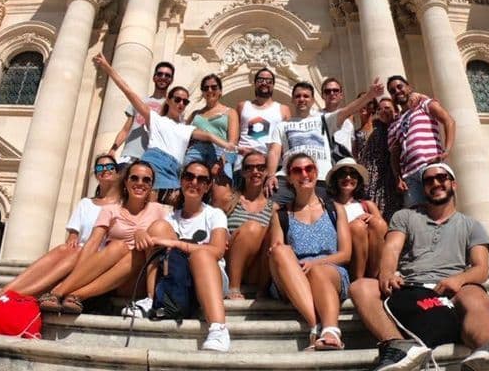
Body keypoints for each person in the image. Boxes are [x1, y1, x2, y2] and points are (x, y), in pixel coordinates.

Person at [349, 163, 489, 371]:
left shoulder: (472, 225)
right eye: (429, 180)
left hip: (453, 288)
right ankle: (400, 347)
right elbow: (392, 248)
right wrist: (388, 273)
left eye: (441, 178)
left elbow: (481, 269)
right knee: (360, 287)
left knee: (474, 293)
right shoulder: (405, 216)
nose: (435, 183)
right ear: (423, 187)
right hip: (410, 286)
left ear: (454, 184)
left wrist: (459, 279)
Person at [0, 154, 121, 304]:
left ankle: (12, 295)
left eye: (110, 167)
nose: (105, 170)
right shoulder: (85, 203)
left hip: (97, 258)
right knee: (64, 248)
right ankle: (4, 291)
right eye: (100, 167)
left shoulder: (121, 205)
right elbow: (73, 234)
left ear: (117, 173)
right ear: (96, 174)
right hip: (77, 252)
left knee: (75, 252)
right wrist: (72, 238)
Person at [94, 53, 235, 202]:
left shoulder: (186, 128)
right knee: (149, 207)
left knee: (169, 211)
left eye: (185, 102)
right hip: (155, 163)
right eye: (177, 99)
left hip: (174, 171)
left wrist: (229, 145)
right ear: (168, 100)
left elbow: (208, 136)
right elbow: (128, 92)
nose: (181, 103)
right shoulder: (155, 119)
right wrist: (107, 68)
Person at [41, 160, 174, 315]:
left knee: (136, 252)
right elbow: (92, 244)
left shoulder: (160, 210)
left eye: (146, 180)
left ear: (151, 185)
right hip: (113, 275)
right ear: (125, 182)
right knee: (118, 246)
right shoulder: (110, 210)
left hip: (140, 279)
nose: (140, 183)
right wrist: (78, 275)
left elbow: (170, 244)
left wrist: (146, 235)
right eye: (134, 178)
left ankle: (72, 294)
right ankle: (65, 291)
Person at [130, 160, 232, 352]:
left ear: (208, 186)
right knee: (157, 228)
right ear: (181, 180)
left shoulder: (215, 214)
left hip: (210, 277)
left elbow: (217, 251)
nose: (194, 182)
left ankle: (219, 329)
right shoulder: (169, 218)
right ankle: (152, 299)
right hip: (179, 281)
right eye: (189, 176)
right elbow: (152, 238)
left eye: (202, 179)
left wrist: (176, 243)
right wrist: (140, 233)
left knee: (201, 254)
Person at [267, 153, 352, 351]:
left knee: (319, 271)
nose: (304, 174)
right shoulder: (281, 214)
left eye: (309, 169)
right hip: (294, 275)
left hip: (329, 272)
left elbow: (345, 254)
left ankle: (330, 331)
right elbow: (276, 253)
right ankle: (316, 324)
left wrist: (315, 264)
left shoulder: (335, 208)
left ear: (316, 172)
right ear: (289, 178)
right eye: (297, 170)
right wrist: (299, 266)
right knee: (279, 250)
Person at [267, 78, 384, 202]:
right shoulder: (282, 126)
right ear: (292, 100)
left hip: (321, 179)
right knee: (273, 212)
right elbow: (274, 152)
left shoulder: (325, 120)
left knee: (324, 217)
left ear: (312, 100)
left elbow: (348, 110)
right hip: (288, 180)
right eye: (298, 96)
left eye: (306, 96)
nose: (302, 99)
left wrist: (370, 95)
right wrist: (270, 175)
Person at [386, 76, 456, 208]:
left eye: (400, 87)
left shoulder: (424, 104)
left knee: (441, 210)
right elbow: (394, 154)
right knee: (417, 219)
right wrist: (397, 177)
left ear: (409, 87)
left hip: (430, 167)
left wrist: (446, 151)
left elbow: (449, 121)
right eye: (392, 91)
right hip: (409, 177)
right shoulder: (394, 124)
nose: (397, 91)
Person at [224, 150, 274, 299]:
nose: (255, 171)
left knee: (272, 232)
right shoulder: (229, 201)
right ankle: (233, 287)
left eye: (260, 167)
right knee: (251, 228)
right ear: (243, 172)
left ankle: (263, 290)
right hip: (231, 261)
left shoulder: (273, 208)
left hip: (257, 269)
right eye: (249, 168)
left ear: (266, 172)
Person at [326, 158, 387, 280]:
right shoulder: (329, 206)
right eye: (343, 174)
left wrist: (370, 219)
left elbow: (384, 232)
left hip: (370, 256)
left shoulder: (367, 205)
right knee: (357, 227)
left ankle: (374, 276)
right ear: (336, 180)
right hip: (345, 252)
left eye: (353, 174)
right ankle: (357, 279)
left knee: (378, 223)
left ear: (358, 180)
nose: (348, 177)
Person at [109, 61, 175, 163]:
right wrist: (113, 149)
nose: (163, 77)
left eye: (167, 75)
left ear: (171, 80)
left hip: (154, 158)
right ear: (154, 77)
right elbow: (126, 129)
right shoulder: (139, 102)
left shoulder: (172, 106)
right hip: (129, 155)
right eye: (160, 74)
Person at [237, 67, 290, 190]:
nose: (265, 83)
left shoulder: (283, 109)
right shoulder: (243, 106)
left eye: (269, 80)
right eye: (261, 80)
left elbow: (287, 140)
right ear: (254, 83)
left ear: (273, 85)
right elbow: (234, 135)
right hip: (243, 164)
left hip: (271, 165)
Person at [355, 96, 402, 220]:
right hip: (366, 179)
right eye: (360, 104)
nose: (364, 106)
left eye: (368, 103)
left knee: (389, 210)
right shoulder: (356, 132)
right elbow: (356, 157)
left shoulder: (381, 125)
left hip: (385, 175)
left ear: (373, 107)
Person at [186, 74, 239, 182]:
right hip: (195, 151)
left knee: (221, 190)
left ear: (220, 90)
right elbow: (184, 135)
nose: (210, 90)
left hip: (219, 152)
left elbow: (232, 142)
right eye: (206, 88)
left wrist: (223, 161)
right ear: (203, 92)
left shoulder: (230, 112)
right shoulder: (194, 114)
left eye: (214, 87)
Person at [320, 77, 355, 155]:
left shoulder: (348, 120)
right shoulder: (315, 117)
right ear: (322, 95)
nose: (332, 93)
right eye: (327, 91)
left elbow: (352, 146)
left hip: (344, 164)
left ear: (341, 95)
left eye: (335, 90)